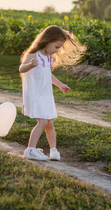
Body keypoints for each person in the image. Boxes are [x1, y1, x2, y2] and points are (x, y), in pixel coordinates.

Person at [19, 25, 86, 161]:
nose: (57, 51)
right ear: (47, 41)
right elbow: (21, 68)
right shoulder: (34, 54)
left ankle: (53, 150)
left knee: (49, 122)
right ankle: (30, 150)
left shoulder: (48, 57)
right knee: (43, 121)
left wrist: (60, 85)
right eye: (56, 47)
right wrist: (30, 65)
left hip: (45, 94)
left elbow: (48, 75)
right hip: (35, 94)